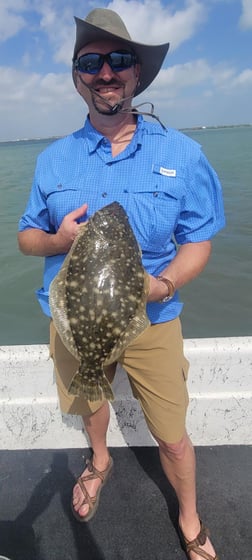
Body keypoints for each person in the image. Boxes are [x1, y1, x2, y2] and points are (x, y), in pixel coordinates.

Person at [18, 8, 225, 560]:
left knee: (172, 432)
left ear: (137, 74)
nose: (105, 72)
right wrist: (57, 240)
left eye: (119, 60)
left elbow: (199, 239)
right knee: (91, 400)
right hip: (76, 316)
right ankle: (100, 459)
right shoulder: (51, 159)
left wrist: (164, 284)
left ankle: (189, 514)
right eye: (91, 62)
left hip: (153, 317)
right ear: (77, 76)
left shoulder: (184, 154)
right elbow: (25, 239)